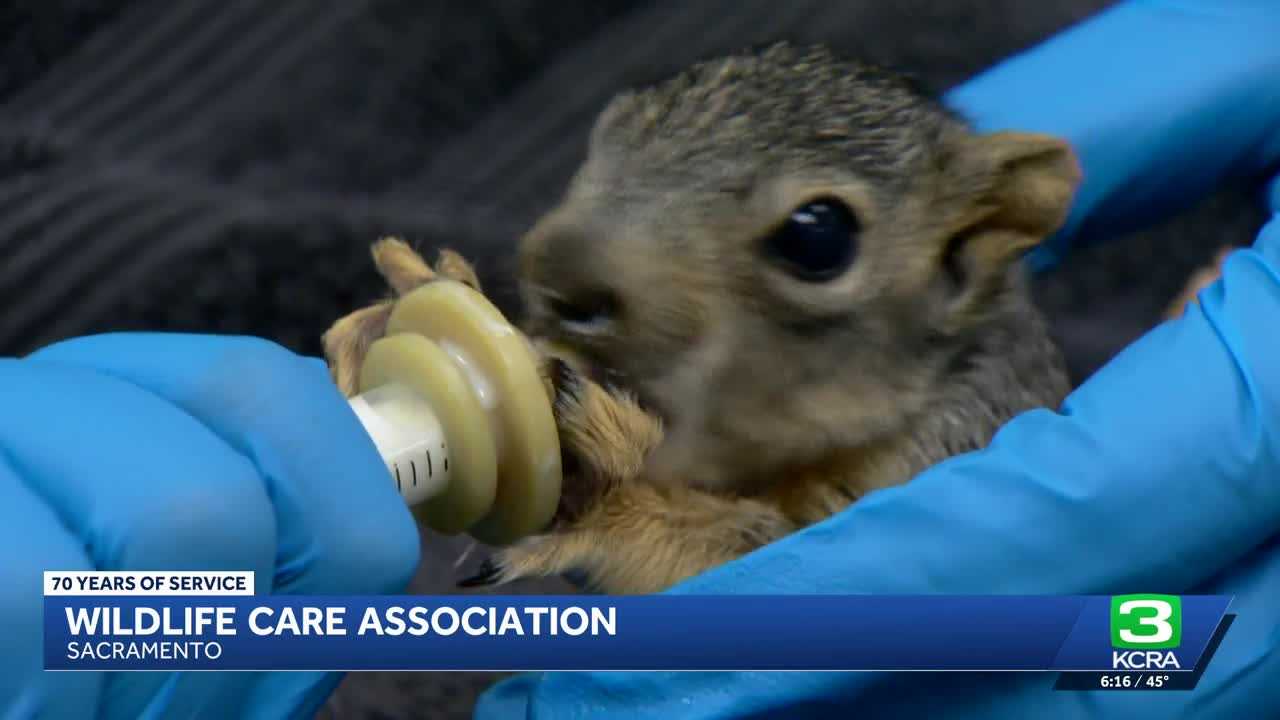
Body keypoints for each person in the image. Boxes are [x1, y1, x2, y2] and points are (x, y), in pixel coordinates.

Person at [3, 0, 1278, 717]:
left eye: (809, 237)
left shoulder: (951, 426)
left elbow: (814, 586)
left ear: (970, 245)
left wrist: (613, 504)